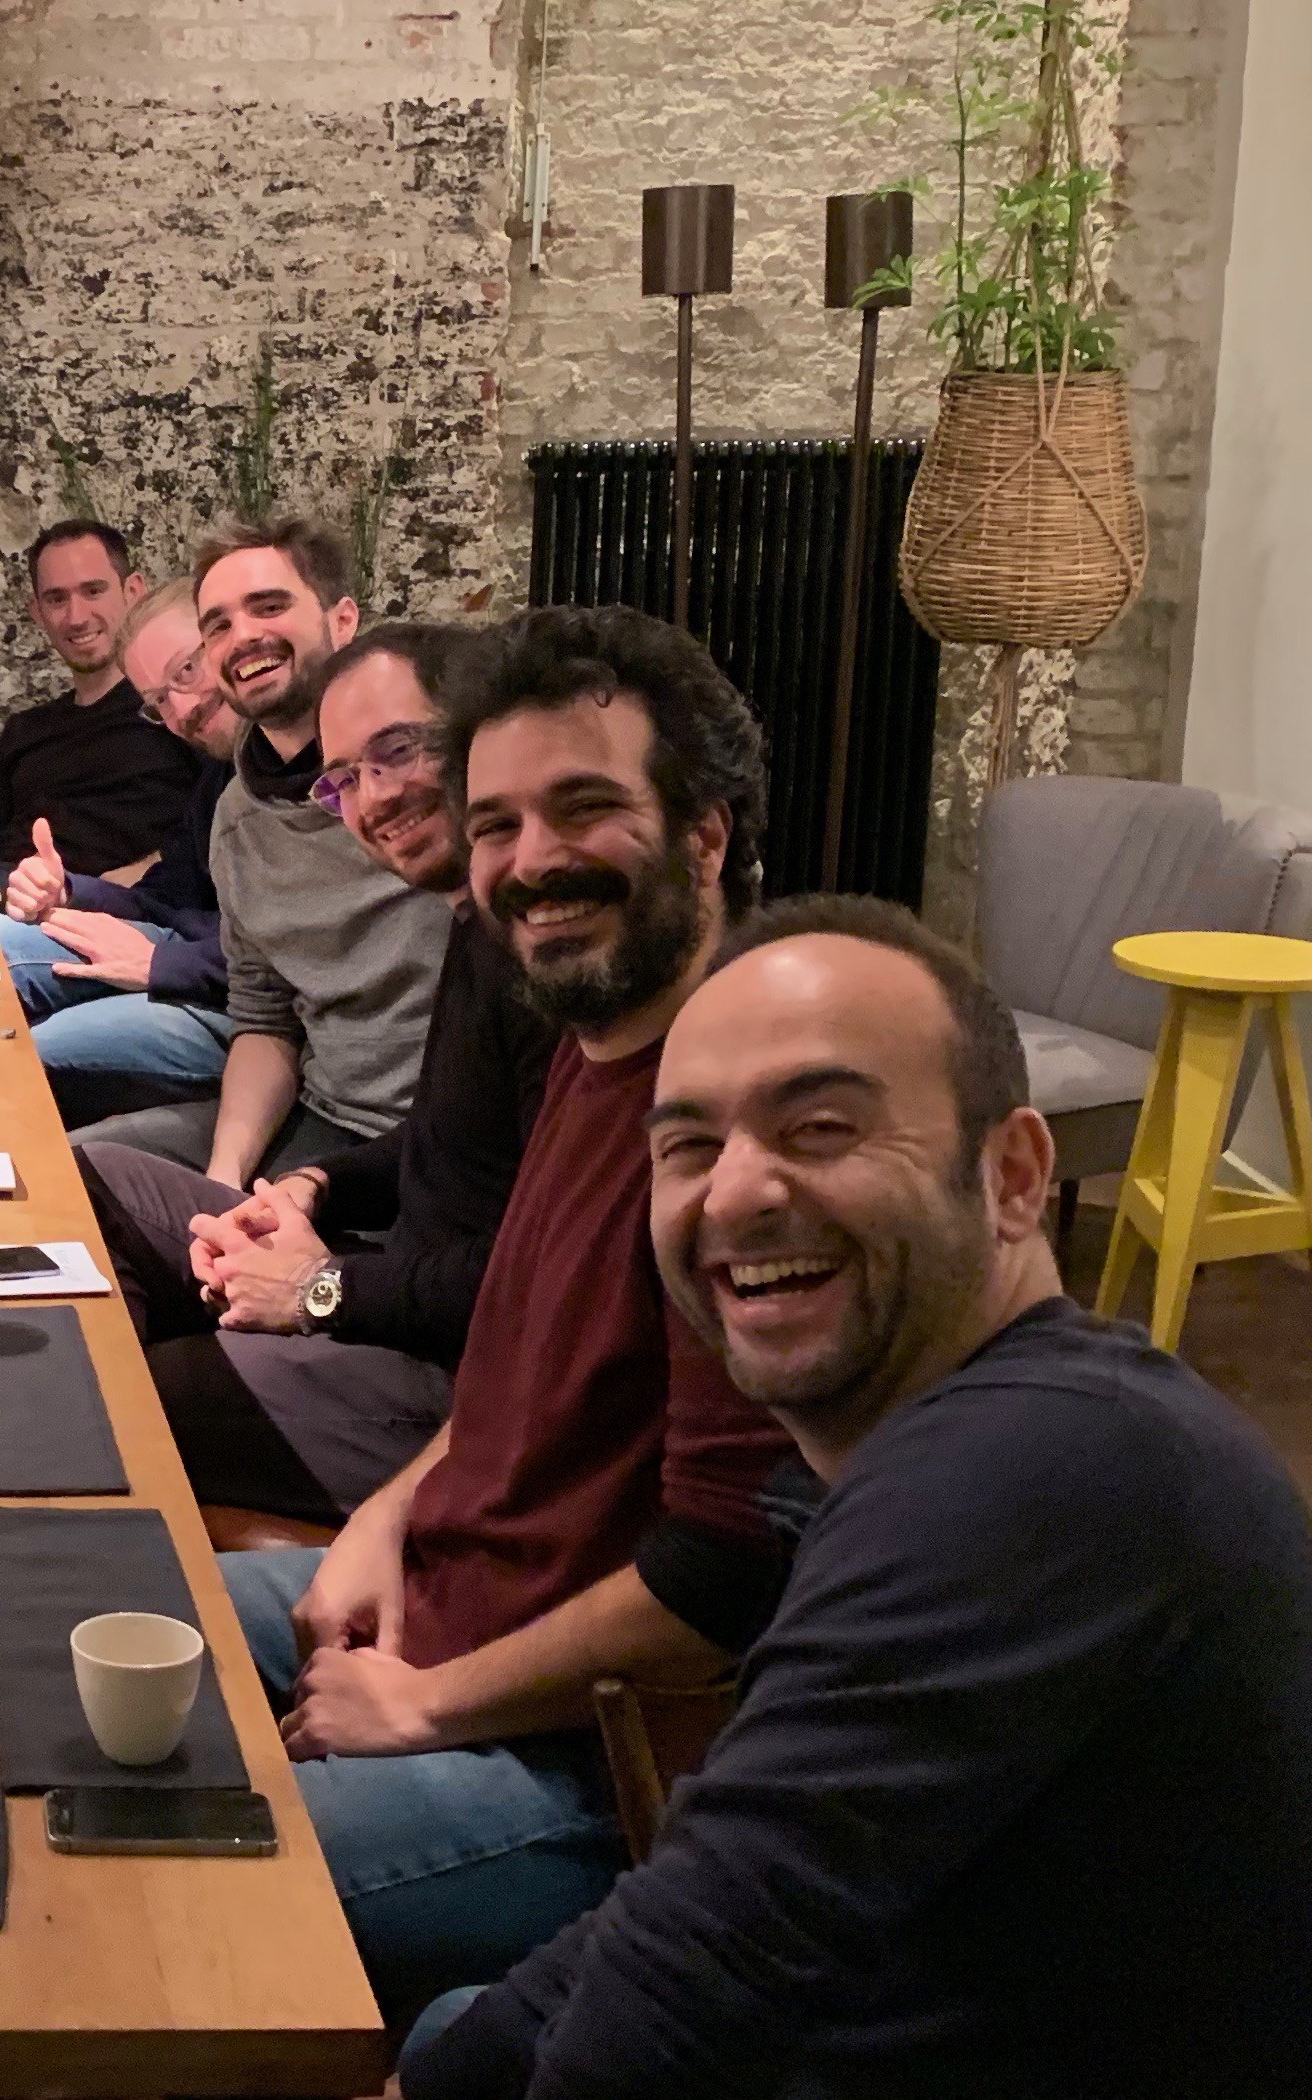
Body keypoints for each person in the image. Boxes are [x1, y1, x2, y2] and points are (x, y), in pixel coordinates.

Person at [401, 897, 1312, 2099]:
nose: (732, 1194)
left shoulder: (1044, 1470)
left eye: (818, 1128)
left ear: (1011, 1177)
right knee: (456, 2037)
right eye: (687, 1148)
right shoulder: (914, 1455)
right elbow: (703, 1895)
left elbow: (683, 1994)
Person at [212, 604, 800, 2029]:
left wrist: (425, 1705)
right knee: (79, 1626)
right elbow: (515, 1370)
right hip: (438, 1602)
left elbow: (721, 1584)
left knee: (149, 1891)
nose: (529, 861)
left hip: (581, 1759)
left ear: (704, 834)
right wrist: (385, 1516)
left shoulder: (745, 1132)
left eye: (583, 808)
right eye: (496, 825)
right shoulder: (588, 1047)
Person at [81, 620, 559, 1527]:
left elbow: (538, 1279)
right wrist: (314, 1186)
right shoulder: (481, 920)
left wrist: (319, 1290)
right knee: (86, 1186)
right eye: (345, 779)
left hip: (462, 1378)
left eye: (400, 751)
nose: (375, 797)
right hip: (394, 1272)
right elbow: (448, 1139)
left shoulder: (562, 962)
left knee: (120, 1396)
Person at [77, 520, 449, 1187]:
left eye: (269, 606)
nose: (243, 635)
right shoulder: (238, 817)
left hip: (427, 1148)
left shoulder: (433, 785)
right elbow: (265, 1014)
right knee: (72, 1171)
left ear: (342, 619)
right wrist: (224, 1177)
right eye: (218, 625)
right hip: (319, 1114)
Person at [0, 578, 247, 1123]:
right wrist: (69, 890)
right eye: (157, 702)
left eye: (186, 670)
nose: (181, 709)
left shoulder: (329, 778)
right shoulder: (226, 770)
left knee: (26, 1050)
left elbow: (291, 964)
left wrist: (162, 963)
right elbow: (167, 894)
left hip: (248, 1006)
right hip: (197, 957)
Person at [0, 519, 205, 877]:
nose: (76, 617)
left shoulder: (180, 707)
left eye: (93, 591)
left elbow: (218, 831)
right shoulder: (26, 730)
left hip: (94, 903)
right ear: (37, 612)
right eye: (57, 599)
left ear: (133, 591)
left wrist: (132, 881)